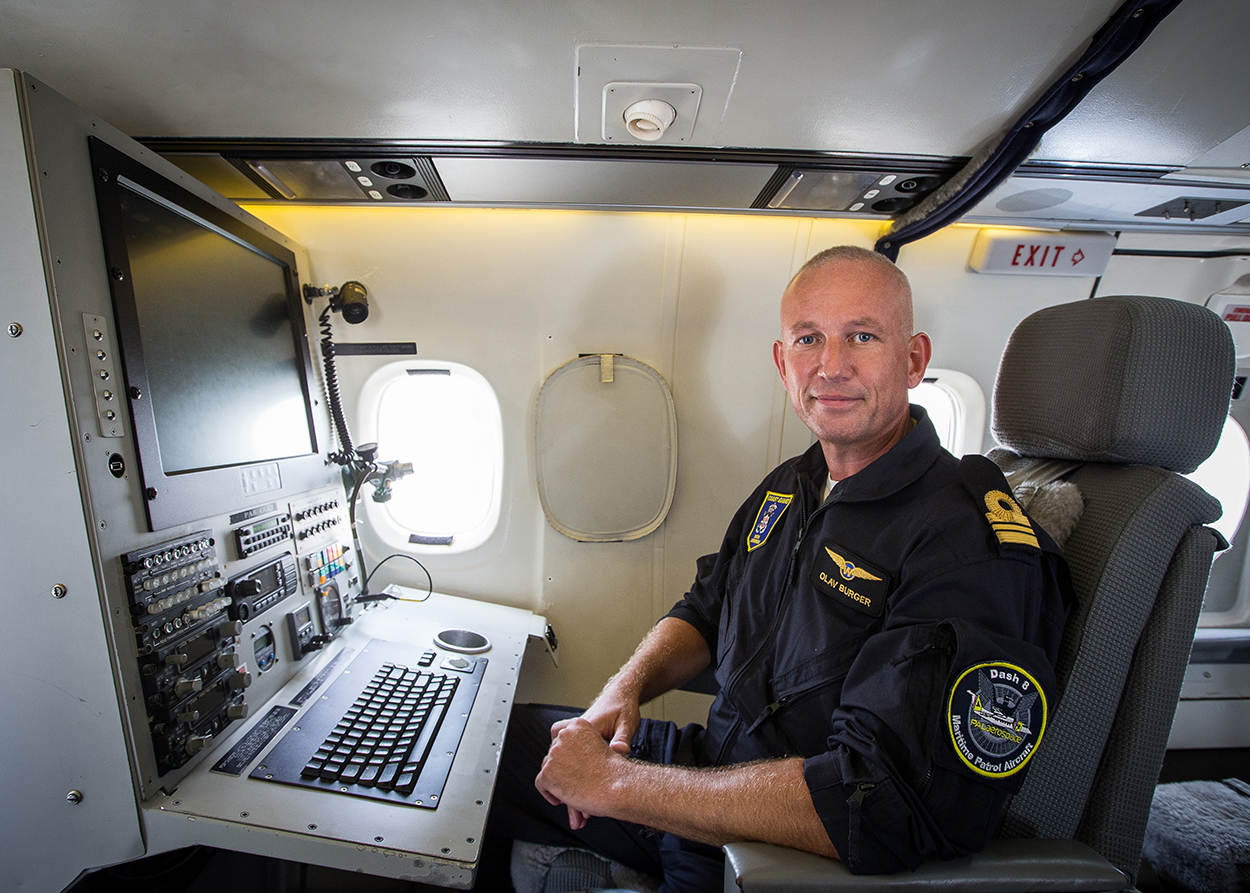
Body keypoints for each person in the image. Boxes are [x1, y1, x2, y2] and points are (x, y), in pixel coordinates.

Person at [481, 246, 1071, 891]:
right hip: (709, 772)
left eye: (862, 336)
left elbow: (879, 801)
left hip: (774, 853)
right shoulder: (794, 485)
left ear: (913, 361)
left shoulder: (967, 544)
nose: (831, 366)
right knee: (486, 745)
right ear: (782, 362)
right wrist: (622, 692)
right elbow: (708, 607)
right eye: (808, 339)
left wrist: (617, 786)